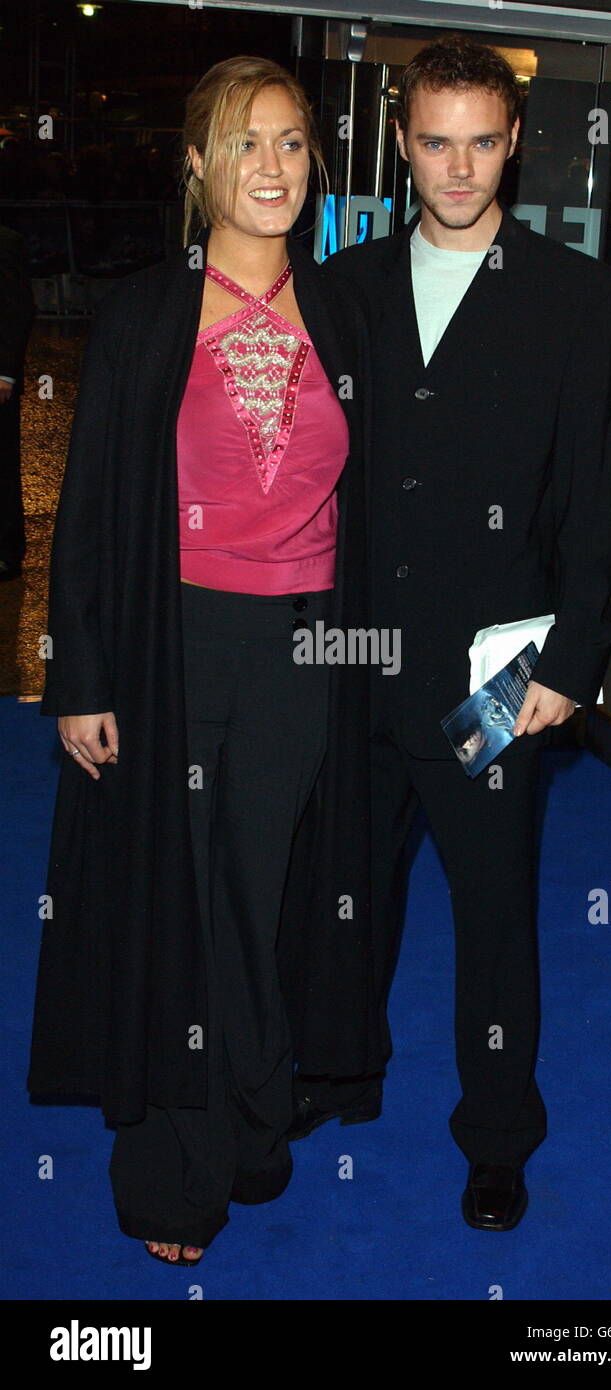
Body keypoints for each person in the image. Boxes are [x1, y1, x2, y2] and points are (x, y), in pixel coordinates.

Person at [27, 56, 379, 1266]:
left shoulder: (346, 310)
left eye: (290, 143)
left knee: (255, 889)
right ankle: (176, 1167)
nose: (271, 167)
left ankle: (250, 1104)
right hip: (169, 641)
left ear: (314, 165)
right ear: (196, 166)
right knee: (173, 901)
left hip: (301, 649)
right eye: (243, 144)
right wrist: (79, 675)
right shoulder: (140, 315)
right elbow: (85, 517)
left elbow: (400, 494)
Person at [291, 35, 611, 1232]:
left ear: (512, 142)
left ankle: (495, 1137)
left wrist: (571, 661)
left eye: (481, 141)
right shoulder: (344, 287)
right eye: (435, 140)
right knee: (344, 894)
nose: (457, 166)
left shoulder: (576, 298)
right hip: (351, 661)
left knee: (491, 919)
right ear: (399, 141)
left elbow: (594, 494)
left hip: (495, 674)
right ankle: (340, 1073)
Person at [0, 223, 35, 581]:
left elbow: (17, 309)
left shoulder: (5, 242)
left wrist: (5, 373)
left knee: (2, 465)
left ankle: (6, 550)